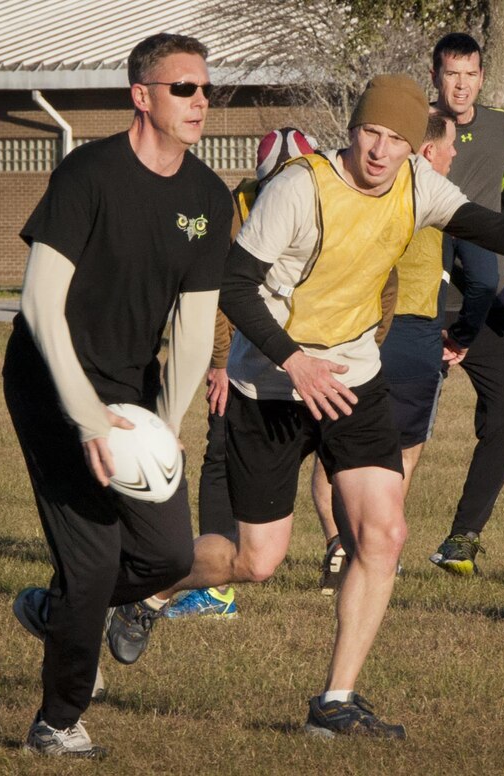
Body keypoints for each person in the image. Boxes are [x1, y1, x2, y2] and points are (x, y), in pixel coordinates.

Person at [109, 73, 504, 739]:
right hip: (273, 386)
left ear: (414, 147)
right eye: (371, 133)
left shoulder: (419, 184)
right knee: (257, 561)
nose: (379, 151)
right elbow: (235, 285)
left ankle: (335, 703)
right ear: (354, 130)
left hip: (353, 380)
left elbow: (489, 223)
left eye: (397, 139)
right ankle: (142, 590)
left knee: (385, 534)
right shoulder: (299, 187)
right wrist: (294, 359)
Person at [4, 32, 232, 758]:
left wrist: (163, 427)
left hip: (132, 391)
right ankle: (57, 721)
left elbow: (195, 331)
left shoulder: (207, 195)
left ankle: (60, 609)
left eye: (206, 89)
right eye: (184, 89)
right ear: (142, 96)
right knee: (96, 560)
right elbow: (41, 304)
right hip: (51, 380)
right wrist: (83, 418)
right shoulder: (87, 175)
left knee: (166, 556)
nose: (201, 101)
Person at [314, 109, 466, 595]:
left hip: (355, 336)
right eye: (449, 147)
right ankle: (378, 552)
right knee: (399, 456)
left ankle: (341, 545)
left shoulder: (360, 196)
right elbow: (482, 278)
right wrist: (463, 333)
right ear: (426, 152)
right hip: (412, 340)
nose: (455, 154)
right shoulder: (436, 205)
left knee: (331, 457)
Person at [167, 127, 316, 619]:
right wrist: (219, 364)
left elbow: (383, 287)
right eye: (281, 178)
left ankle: (354, 561)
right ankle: (215, 587)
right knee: (221, 456)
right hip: (246, 363)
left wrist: (361, 351)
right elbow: (215, 298)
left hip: (316, 364)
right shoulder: (233, 214)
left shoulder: (331, 200)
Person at [428, 31, 504, 577]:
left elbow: (503, 202)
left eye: (470, 73)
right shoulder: (418, 129)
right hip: (427, 297)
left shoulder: (499, 125)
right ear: (436, 77)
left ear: (481, 76)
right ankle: (351, 546)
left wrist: (503, 272)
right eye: (451, 73)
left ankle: (462, 539)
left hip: (486, 293)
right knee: (392, 426)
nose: (461, 84)